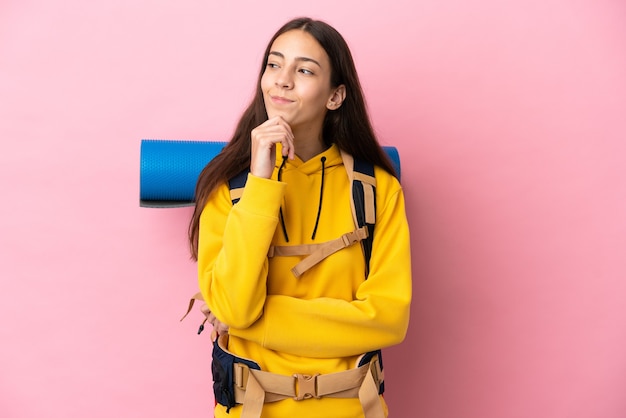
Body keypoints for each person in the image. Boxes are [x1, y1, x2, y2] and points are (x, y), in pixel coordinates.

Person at [187, 17, 412, 418]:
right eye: (274, 65)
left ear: (335, 96)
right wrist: (260, 180)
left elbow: (388, 320)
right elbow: (235, 307)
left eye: (304, 70)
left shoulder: (376, 189)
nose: (282, 80)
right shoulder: (229, 187)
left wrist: (251, 322)